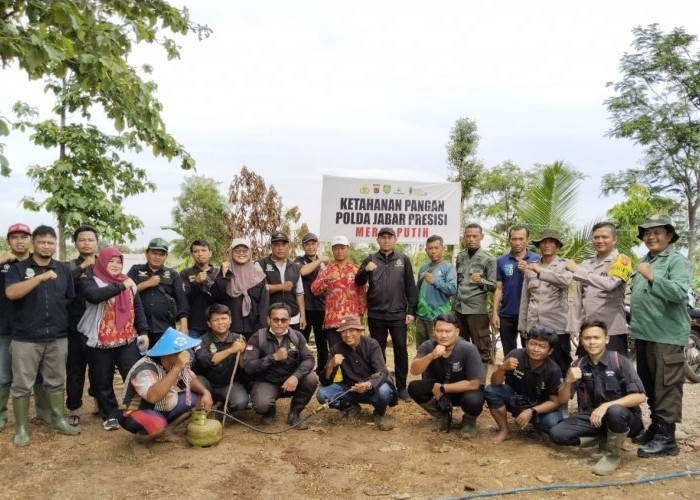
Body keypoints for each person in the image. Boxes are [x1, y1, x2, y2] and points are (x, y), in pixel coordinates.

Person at [5, 225, 79, 446]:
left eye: (50, 242)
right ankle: (21, 429)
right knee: (22, 384)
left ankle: (58, 420)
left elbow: (69, 297)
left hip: (57, 336)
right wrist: (40, 278)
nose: (46, 246)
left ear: (55, 244)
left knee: (56, 381)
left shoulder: (63, 269)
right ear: (33, 243)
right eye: (42, 242)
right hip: (25, 338)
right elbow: (11, 293)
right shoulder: (17, 269)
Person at [629, 214, 693, 458]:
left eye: (657, 232)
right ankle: (656, 428)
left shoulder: (677, 262)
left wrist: (652, 276)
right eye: (647, 233)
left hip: (666, 337)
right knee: (650, 385)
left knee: (666, 387)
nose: (651, 236)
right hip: (645, 335)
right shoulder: (645, 260)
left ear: (669, 236)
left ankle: (667, 438)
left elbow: (678, 293)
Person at [549, 321, 646, 476]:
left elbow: (640, 396)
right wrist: (568, 381)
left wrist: (606, 406)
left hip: (625, 418)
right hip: (594, 417)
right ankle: (606, 438)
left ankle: (612, 455)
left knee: (614, 411)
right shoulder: (578, 364)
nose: (592, 342)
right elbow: (562, 399)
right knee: (557, 433)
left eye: (596, 337)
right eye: (587, 338)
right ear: (581, 341)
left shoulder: (620, 361)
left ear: (606, 339)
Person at [79, 246, 150, 431]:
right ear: (102, 262)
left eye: (119, 262)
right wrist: (120, 286)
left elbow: (138, 309)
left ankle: (136, 408)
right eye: (111, 261)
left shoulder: (129, 283)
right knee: (102, 379)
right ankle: (109, 414)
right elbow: (95, 297)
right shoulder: (91, 281)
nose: (116, 265)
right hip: (101, 341)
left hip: (127, 339)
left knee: (134, 374)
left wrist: (143, 331)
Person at [118, 327, 213, 456]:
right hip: (136, 410)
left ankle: (167, 432)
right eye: (182, 351)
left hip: (163, 405)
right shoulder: (145, 368)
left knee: (199, 400)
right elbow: (153, 397)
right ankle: (139, 441)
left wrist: (205, 392)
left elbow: (189, 379)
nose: (186, 353)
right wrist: (177, 367)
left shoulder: (174, 363)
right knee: (157, 425)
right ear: (170, 354)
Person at [355, 227, 417, 402]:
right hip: (376, 314)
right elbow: (358, 282)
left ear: (395, 240)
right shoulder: (370, 258)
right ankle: (382, 384)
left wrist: (411, 311)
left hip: (398, 314)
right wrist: (366, 270)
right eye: (383, 237)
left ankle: (402, 387)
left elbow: (410, 287)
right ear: (378, 240)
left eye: (389, 237)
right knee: (377, 352)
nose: (386, 240)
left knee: (400, 350)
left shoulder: (403, 260)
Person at [0, 223, 51, 430]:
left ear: (31, 239)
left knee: (39, 374)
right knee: (4, 375)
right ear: (8, 241)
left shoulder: (38, 263)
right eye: (14, 237)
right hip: (6, 328)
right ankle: (2, 415)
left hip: (34, 330)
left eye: (23, 236)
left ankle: (44, 413)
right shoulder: (4, 264)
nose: (19, 241)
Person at [408, 313, 484, 438]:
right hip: (440, 393)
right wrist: (431, 356)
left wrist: (443, 388)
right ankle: (442, 417)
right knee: (414, 387)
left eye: (448, 331)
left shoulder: (469, 349)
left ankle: (469, 422)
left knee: (474, 400)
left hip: (463, 392)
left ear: (457, 332)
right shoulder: (428, 346)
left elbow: (474, 383)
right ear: (433, 331)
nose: (443, 335)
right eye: (439, 331)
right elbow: (414, 370)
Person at [484, 325, 564, 444]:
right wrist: (503, 368)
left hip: (540, 406)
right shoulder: (515, 355)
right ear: (526, 343)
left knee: (551, 424)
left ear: (550, 351)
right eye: (533, 344)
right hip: (516, 399)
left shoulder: (553, 370)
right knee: (491, 391)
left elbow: (555, 402)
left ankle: (536, 425)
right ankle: (505, 431)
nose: (535, 349)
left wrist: (532, 411)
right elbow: (495, 383)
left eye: (542, 346)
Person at [244, 303, 317, 430]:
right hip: (267, 381)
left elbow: (309, 359)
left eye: (283, 320)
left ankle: (295, 413)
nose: (279, 323)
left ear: (289, 320)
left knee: (311, 379)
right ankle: (269, 410)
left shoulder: (297, 336)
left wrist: (296, 376)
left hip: (290, 382)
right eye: (275, 319)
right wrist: (272, 358)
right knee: (262, 405)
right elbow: (249, 367)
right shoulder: (257, 337)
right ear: (268, 320)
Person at [317, 315, 396, 431]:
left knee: (384, 391)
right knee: (322, 394)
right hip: (350, 388)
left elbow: (382, 371)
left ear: (359, 331)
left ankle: (379, 412)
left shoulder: (372, 344)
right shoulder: (336, 348)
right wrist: (330, 365)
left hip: (372, 389)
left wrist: (368, 385)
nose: (348, 335)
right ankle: (350, 408)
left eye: (351, 330)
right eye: (343, 331)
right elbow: (325, 381)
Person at [567, 222, 631, 356]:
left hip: (612, 330)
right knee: (586, 371)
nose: (600, 240)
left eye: (604, 237)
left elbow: (610, 284)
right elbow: (578, 298)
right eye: (596, 237)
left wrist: (578, 270)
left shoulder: (622, 261)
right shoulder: (586, 263)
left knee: (614, 370)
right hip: (588, 329)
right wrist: (574, 326)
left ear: (614, 239)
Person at [518, 229, 574, 377]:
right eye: (543, 242)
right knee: (533, 366)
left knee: (560, 366)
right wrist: (523, 325)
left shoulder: (565, 265)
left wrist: (541, 272)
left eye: (551, 242)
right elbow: (525, 299)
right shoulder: (531, 267)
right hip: (534, 325)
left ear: (557, 245)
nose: (547, 245)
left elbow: (566, 281)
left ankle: (561, 399)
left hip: (557, 327)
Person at [310, 235, 366, 374]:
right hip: (332, 320)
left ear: (348, 249)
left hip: (351, 320)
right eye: (336, 248)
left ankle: (355, 378)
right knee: (335, 351)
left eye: (342, 248)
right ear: (332, 250)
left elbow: (362, 294)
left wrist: (360, 315)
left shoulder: (356, 269)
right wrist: (327, 279)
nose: (339, 251)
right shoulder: (326, 270)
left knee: (353, 350)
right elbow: (314, 289)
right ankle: (333, 381)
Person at [65, 224, 99, 426]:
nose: (86, 243)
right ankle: (74, 408)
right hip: (75, 327)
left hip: (99, 327)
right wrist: (83, 266)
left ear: (97, 242)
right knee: (75, 369)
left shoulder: (104, 264)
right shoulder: (68, 266)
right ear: (76, 243)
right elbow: (62, 284)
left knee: (99, 369)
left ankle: (99, 402)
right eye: (82, 240)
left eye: (90, 239)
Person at [127, 237, 189, 347]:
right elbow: (125, 293)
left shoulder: (173, 274)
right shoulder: (135, 270)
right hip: (138, 328)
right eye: (154, 253)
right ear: (146, 254)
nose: (157, 257)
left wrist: (184, 326)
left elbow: (181, 301)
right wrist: (146, 284)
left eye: (161, 254)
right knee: (139, 362)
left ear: (166, 256)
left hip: (165, 329)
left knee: (165, 361)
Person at [453, 223, 497, 372]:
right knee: (460, 348)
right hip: (459, 309)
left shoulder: (488, 259)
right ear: (464, 237)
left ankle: (480, 386)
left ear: (481, 237)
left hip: (476, 311)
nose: (471, 239)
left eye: (475, 236)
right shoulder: (460, 256)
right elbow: (458, 283)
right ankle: (463, 382)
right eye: (468, 236)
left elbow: (493, 285)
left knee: (482, 350)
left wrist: (481, 281)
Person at [492, 225, 539, 357]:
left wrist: (527, 271)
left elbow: (542, 287)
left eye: (521, 239)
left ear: (527, 240)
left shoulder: (537, 260)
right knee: (509, 353)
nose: (517, 242)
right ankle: (510, 378)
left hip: (530, 315)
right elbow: (498, 288)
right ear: (509, 240)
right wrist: (495, 313)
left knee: (531, 352)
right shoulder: (501, 261)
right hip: (507, 314)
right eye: (514, 239)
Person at [193, 304, 249, 414]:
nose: (220, 323)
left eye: (224, 318)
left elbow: (245, 366)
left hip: (229, 384)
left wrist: (242, 352)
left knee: (241, 402)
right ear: (209, 323)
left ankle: (223, 408)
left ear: (230, 320)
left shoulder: (239, 338)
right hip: (206, 383)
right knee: (194, 382)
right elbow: (205, 361)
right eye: (216, 320)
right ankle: (204, 403)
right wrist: (230, 350)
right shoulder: (200, 341)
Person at [212, 237, 269, 340]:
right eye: (237, 250)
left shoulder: (258, 276)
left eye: (245, 250)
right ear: (231, 253)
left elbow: (264, 304)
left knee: (252, 356)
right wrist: (223, 275)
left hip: (254, 329)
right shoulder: (224, 274)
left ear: (250, 252)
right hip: (229, 330)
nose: (241, 253)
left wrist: (262, 328)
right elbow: (216, 298)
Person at [257, 231, 306, 331]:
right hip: (270, 317)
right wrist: (281, 287)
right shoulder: (261, 264)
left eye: (283, 245)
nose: (280, 248)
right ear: (271, 246)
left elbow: (299, 294)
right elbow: (259, 288)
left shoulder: (295, 267)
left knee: (292, 346)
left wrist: (303, 316)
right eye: (277, 245)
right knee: (271, 345)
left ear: (288, 247)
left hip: (293, 317)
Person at [415, 235, 457, 347]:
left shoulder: (449, 267)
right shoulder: (423, 268)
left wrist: (435, 281)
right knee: (422, 349)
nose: (433, 251)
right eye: (430, 248)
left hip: (439, 317)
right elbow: (417, 291)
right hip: (421, 316)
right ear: (426, 250)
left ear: (443, 248)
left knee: (439, 348)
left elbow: (452, 289)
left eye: (436, 248)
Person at [296, 233, 327, 364]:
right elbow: (302, 271)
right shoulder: (298, 261)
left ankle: (322, 372)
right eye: (307, 244)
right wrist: (319, 261)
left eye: (313, 244)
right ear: (303, 246)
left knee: (322, 343)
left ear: (317, 245)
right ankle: (299, 370)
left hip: (322, 309)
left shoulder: (325, 265)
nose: (311, 247)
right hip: (305, 310)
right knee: (302, 342)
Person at [180, 239, 219, 339]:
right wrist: (196, 282)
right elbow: (184, 298)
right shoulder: (185, 273)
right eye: (196, 251)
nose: (200, 254)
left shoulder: (218, 273)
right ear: (192, 254)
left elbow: (222, 298)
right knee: (193, 354)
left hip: (216, 325)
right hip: (194, 326)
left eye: (203, 250)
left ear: (210, 253)